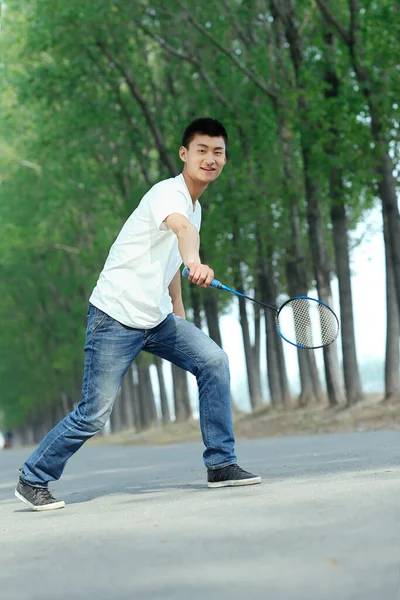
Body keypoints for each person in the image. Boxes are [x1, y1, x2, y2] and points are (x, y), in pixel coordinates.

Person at [15, 117, 261, 511]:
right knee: (94, 415)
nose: (210, 159)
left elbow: (171, 265)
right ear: (185, 154)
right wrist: (195, 259)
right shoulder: (169, 195)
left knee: (213, 361)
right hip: (114, 316)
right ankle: (32, 478)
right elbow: (180, 231)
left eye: (218, 152)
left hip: (157, 319)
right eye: (202, 150)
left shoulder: (195, 208)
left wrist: (178, 313)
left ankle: (221, 464)